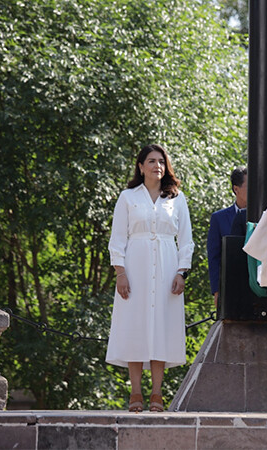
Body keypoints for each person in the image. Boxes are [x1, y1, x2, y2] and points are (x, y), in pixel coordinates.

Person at [106, 144, 194, 412]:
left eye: (161, 161)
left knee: (161, 329)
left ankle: (157, 394)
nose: (157, 166)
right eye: (151, 161)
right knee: (136, 326)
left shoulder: (176, 199)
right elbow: (118, 238)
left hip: (168, 270)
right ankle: (136, 393)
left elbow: (187, 241)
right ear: (141, 166)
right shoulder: (128, 197)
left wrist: (181, 272)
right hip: (136, 268)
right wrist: (120, 273)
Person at [207, 167, 247, 307]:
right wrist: (217, 291)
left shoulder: (266, 214)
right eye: (249, 186)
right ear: (236, 189)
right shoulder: (219, 218)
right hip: (231, 285)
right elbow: (214, 257)